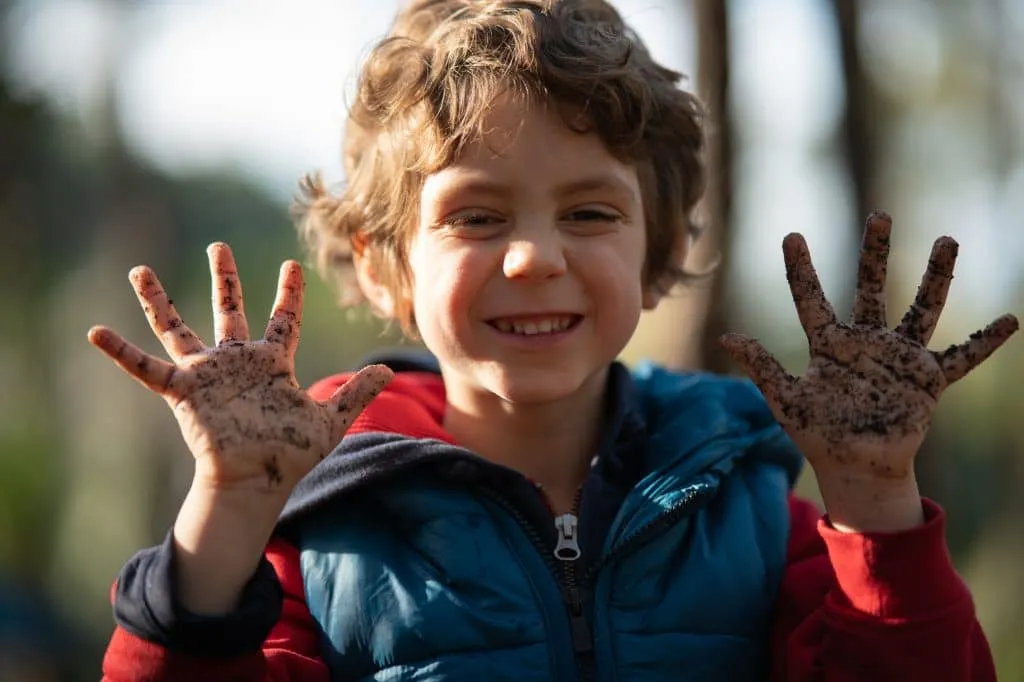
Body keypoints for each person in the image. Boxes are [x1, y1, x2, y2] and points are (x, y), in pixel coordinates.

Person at [91, 1, 1018, 680]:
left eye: (588, 210)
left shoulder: (755, 510)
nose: (535, 256)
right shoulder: (322, 534)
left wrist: (876, 500)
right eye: (477, 216)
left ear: (659, 253)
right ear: (381, 266)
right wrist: (225, 512)